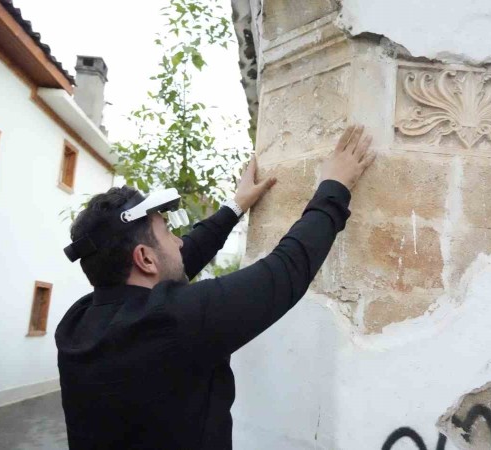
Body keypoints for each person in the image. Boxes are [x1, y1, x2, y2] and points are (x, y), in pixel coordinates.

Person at [55, 125, 375, 449]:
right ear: (145, 259)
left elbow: (179, 261)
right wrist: (334, 186)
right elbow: (287, 270)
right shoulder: (174, 322)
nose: (179, 241)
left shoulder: (78, 324)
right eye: (167, 233)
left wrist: (234, 207)